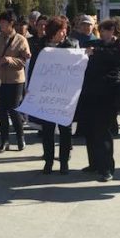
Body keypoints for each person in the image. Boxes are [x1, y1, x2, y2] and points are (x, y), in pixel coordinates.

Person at [28, 16, 78, 175]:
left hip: (65, 94)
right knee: (48, 130)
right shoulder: (40, 46)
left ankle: (64, 162)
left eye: (64, 31)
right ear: (52, 32)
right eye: (60, 31)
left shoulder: (71, 45)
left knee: (65, 129)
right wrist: (31, 88)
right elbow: (34, 69)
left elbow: (77, 66)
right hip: (47, 93)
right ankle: (48, 161)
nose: (63, 34)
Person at [81, 19, 120, 182]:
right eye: (102, 30)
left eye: (107, 30)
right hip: (90, 93)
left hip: (108, 95)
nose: (104, 34)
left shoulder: (119, 45)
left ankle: (107, 168)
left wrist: (97, 52)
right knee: (90, 131)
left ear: (114, 31)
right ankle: (93, 163)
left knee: (103, 132)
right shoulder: (96, 44)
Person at [0, 10, 31, 152]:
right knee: (1, 111)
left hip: (16, 80)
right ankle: (4, 141)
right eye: (0, 22)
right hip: (0, 79)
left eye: (4, 23)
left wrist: (10, 60)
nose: (1, 25)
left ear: (11, 24)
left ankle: (20, 137)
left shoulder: (21, 39)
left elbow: (24, 60)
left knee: (14, 109)